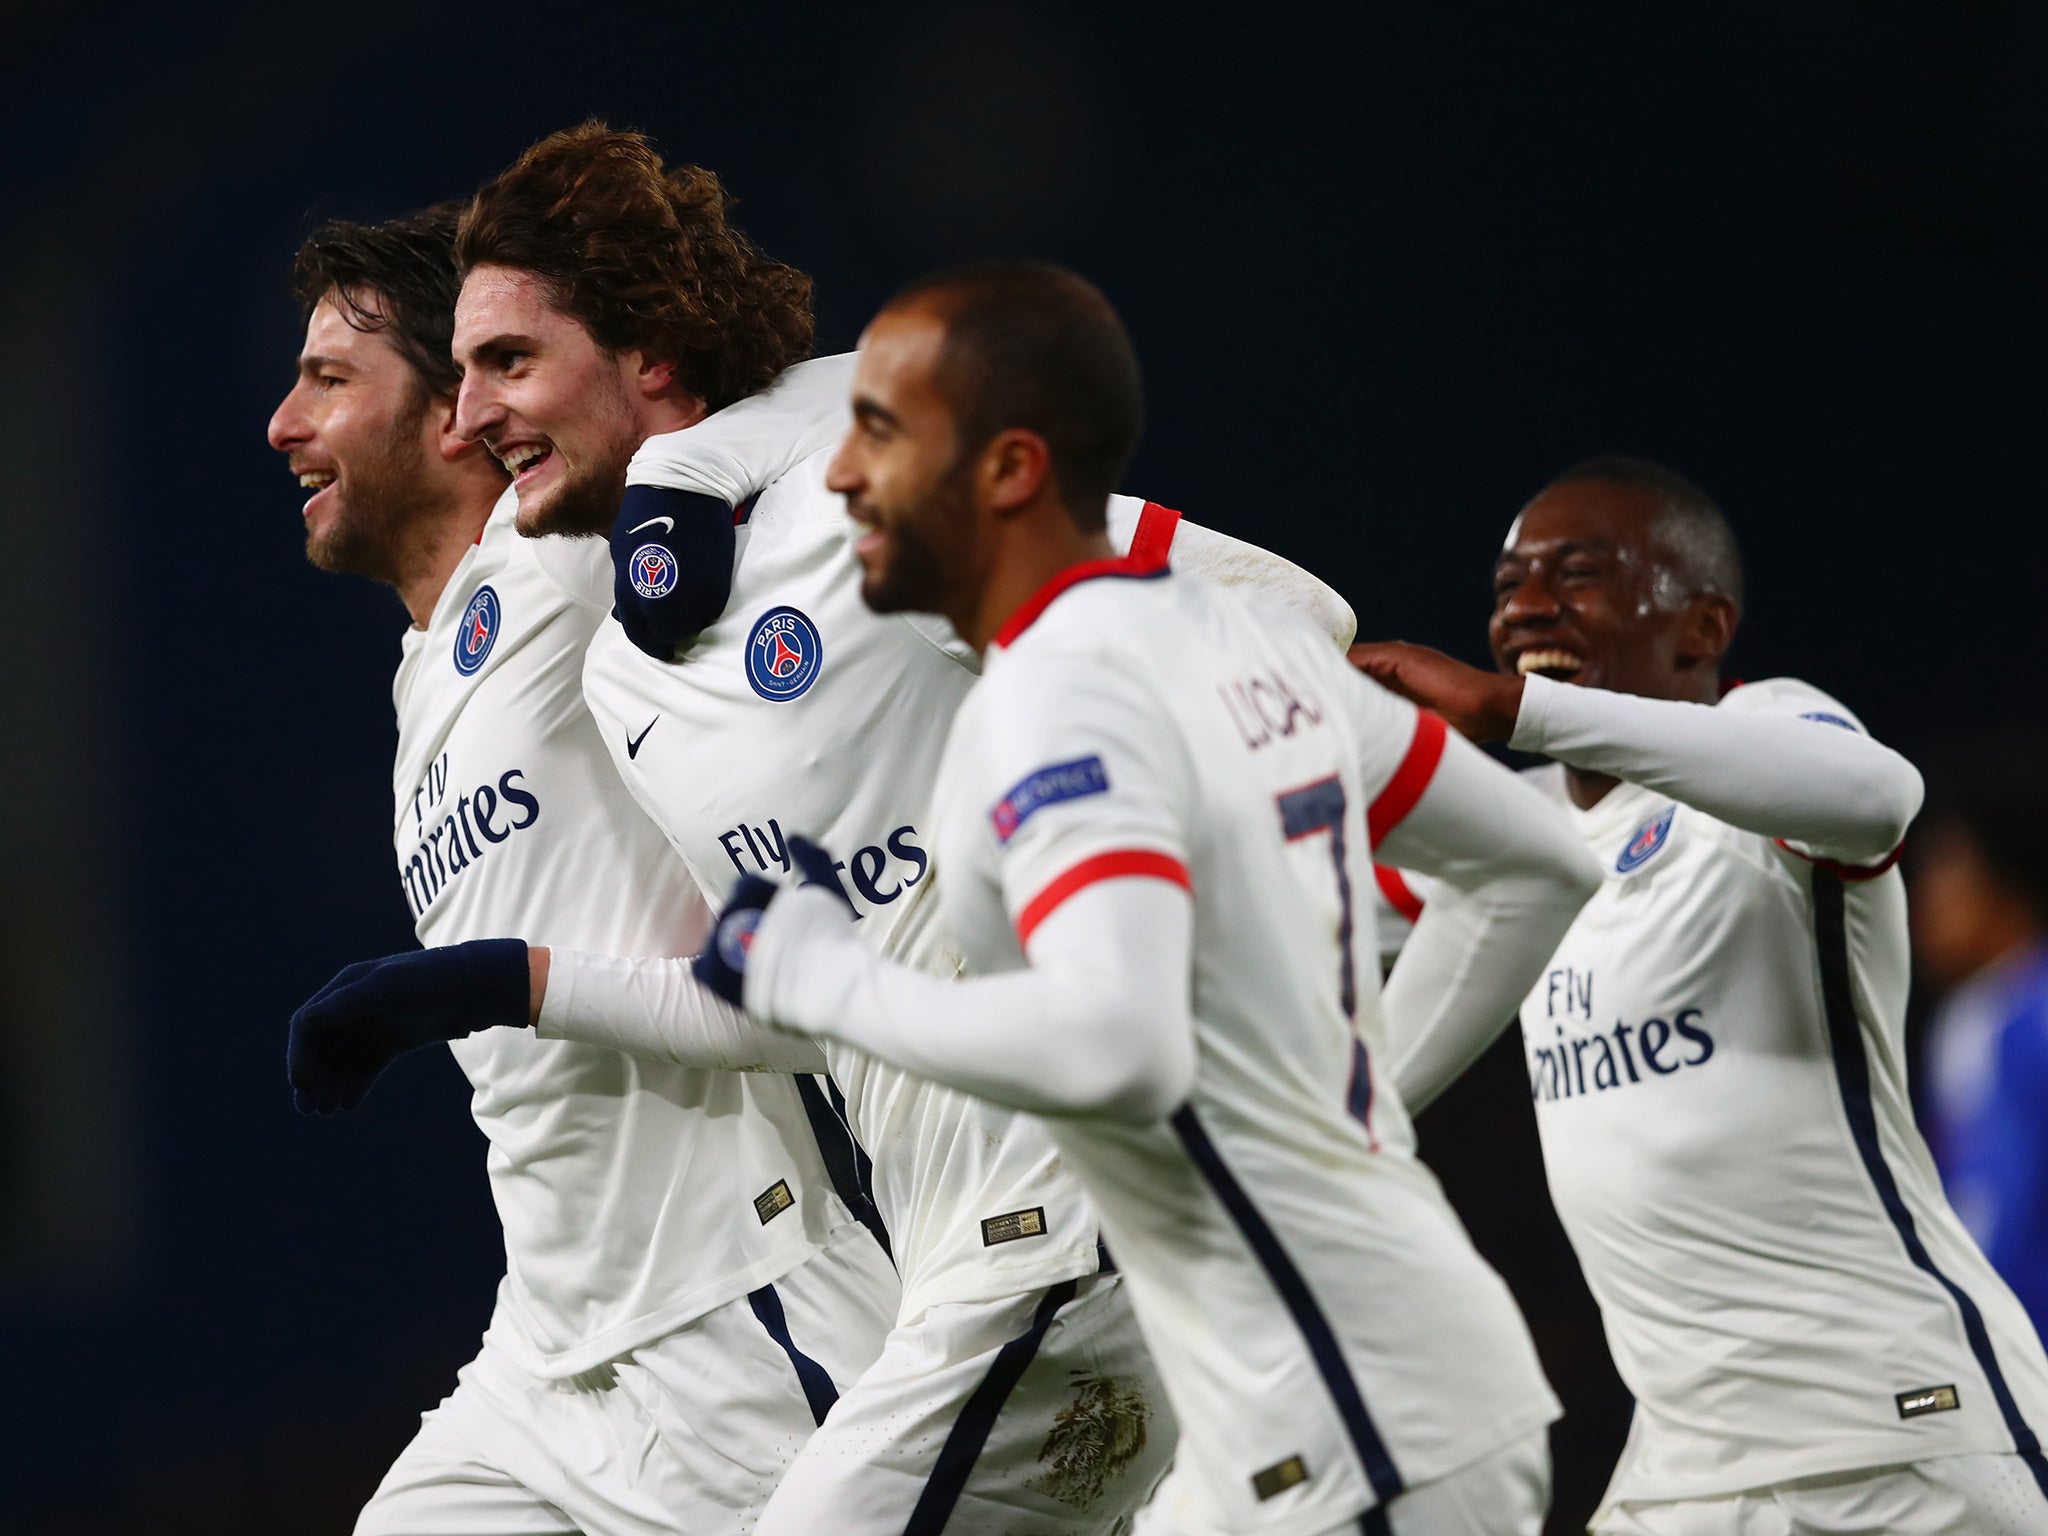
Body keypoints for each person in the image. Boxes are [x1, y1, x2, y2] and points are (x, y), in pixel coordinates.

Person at [291, 122, 1355, 1535]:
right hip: (835, 1270)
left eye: (506, 365)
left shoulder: (834, 510)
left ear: (647, 355)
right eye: (471, 367)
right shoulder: (622, 676)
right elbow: (776, 997)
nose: (481, 413)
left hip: (941, 1245)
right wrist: (492, 985)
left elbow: (1300, 623)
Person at [691, 261, 1602, 1535]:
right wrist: (1359, 1112)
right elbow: (1535, 863)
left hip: (1338, 1435)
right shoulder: (1231, 641)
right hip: (1366, 1404)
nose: (839, 480)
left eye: (880, 437)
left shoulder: (1056, 696)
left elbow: (1114, 1042)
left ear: (1008, 469)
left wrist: (819, 979)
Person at [270, 206, 896, 1536]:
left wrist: (688, 477)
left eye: (329, 380)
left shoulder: (563, 556)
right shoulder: (424, 670)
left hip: (738, 1320)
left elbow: (861, 387)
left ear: (454, 411)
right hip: (545, 1359)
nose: (284, 423)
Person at [1351, 458, 2048, 1533]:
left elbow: (1877, 796)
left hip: (1895, 1439)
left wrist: (1515, 708)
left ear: (1701, 626)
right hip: (1682, 1468)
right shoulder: (1515, 848)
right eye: (1505, 586)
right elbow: (1297, 893)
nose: (1526, 605)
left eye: (1576, 574)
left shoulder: (1771, 736)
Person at [1912, 740, 2048, 1338]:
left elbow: (1999, 1212)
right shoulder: (1973, 1013)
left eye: (1945, 869)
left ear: (2006, 877)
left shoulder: (2031, 1017)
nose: (1922, 899)